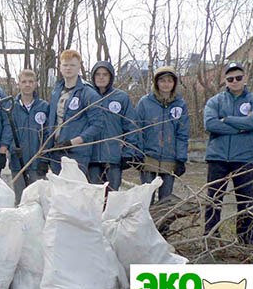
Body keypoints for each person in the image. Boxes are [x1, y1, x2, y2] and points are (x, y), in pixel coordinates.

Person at [203, 61, 253, 243]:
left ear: (245, 78)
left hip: (245, 158)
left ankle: (246, 242)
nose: (235, 81)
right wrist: (241, 127)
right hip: (218, 157)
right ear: (225, 81)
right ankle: (211, 239)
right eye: (230, 79)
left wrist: (226, 119)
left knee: (245, 202)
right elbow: (210, 124)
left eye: (238, 77)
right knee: (213, 201)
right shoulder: (215, 101)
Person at [135, 65, 190, 209]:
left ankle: (162, 223)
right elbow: (137, 129)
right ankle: (145, 222)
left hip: (170, 158)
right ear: (156, 82)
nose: (166, 84)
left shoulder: (180, 104)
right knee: (146, 198)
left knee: (165, 200)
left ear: (174, 83)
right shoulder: (145, 102)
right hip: (148, 156)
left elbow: (182, 133)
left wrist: (181, 158)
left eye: (169, 81)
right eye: (162, 80)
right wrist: (138, 153)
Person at [47, 49, 103, 176]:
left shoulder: (88, 93)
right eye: (65, 65)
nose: (68, 68)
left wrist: (72, 142)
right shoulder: (56, 91)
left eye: (72, 65)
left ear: (79, 67)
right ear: (60, 67)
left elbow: (97, 125)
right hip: (56, 151)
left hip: (77, 154)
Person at [88, 60, 141, 190]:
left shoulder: (121, 97)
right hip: (91, 157)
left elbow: (130, 127)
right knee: (93, 195)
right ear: (93, 76)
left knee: (112, 195)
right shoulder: (87, 96)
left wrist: (128, 152)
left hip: (113, 157)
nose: (101, 77)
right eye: (98, 74)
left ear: (111, 77)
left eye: (105, 74)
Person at [7, 69, 49, 204]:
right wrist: (13, 148)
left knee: (37, 200)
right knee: (21, 200)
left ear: (36, 84)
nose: (27, 85)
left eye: (31, 82)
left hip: (37, 163)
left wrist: (44, 158)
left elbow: (48, 134)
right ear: (18, 83)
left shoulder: (44, 107)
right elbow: (7, 131)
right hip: (18, 163)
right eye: (24, 81)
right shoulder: (11, 107)